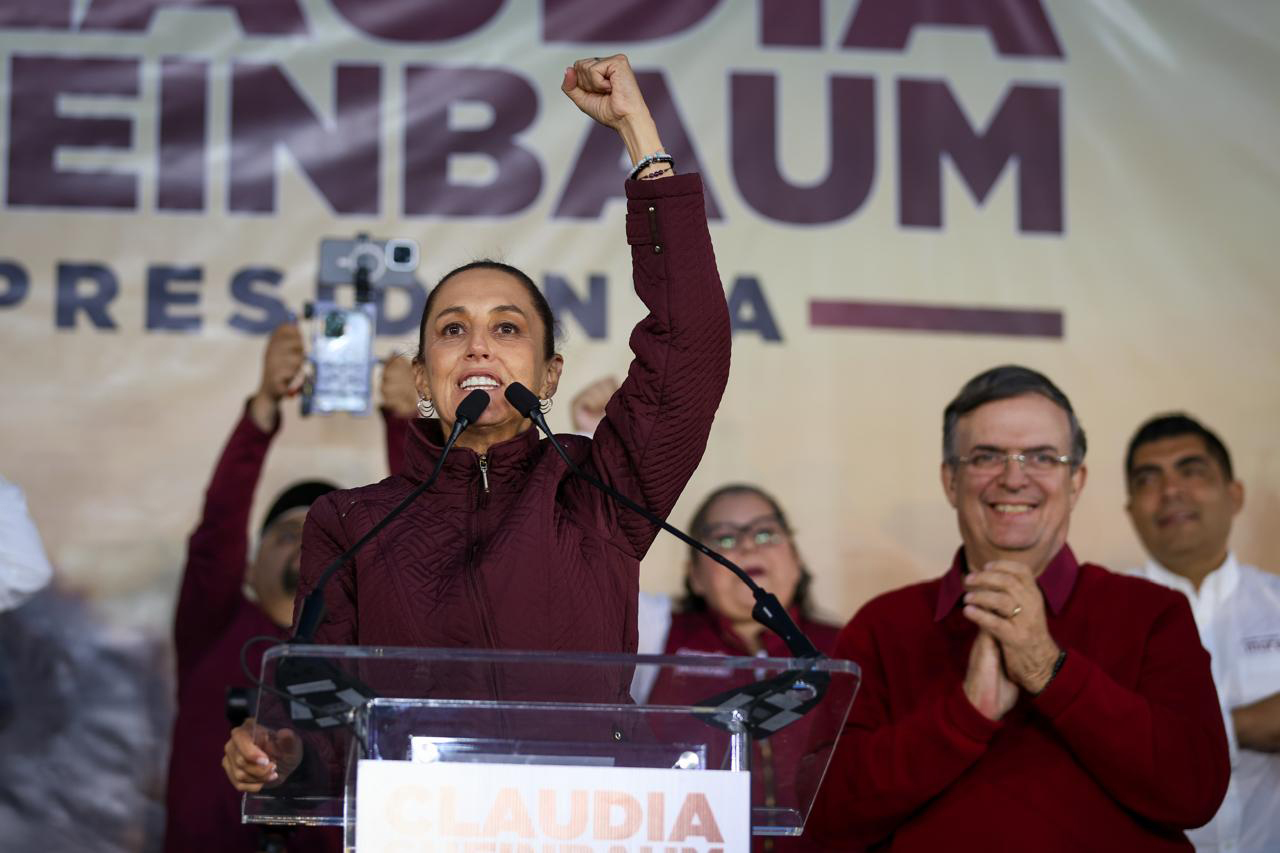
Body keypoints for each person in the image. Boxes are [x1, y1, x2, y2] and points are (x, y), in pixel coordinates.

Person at [223, 55, 731, 793]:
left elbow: (689, 350)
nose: (480, 346)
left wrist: (639, 137)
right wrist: (279, 754)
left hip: (584, 823)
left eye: (508, 328)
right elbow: (319, 727)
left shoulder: (599, 490)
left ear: (549, 375)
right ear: (422, 379)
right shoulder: (349, 525)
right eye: (453, 329)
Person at [809, 365, 1229, 851]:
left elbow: (1195, 792)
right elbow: (826, 816)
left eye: (1042, 457)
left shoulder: (1152, 613)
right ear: (950, 480)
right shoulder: (883, 626)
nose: (1013, 478)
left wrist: (1049, 671)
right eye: (987, 457)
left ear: (1075, 481)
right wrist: (963, 717)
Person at [164, 323, 413, 853]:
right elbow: (217, 532)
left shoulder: (368, 646)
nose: (302, 543)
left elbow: (419, 552)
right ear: (249, 566)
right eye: (285, 533)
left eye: (322, 538)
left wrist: (407, 425)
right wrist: (262, 409)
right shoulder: (214, 627)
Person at [647, 483, 841, 852]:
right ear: (694, 575)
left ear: (796, 559)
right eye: (725, 538)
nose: (749, 546)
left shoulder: (845, 647)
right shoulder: (653, 638)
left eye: (765, 533)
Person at [1124, 413, 1280, 853]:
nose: (1170, 491)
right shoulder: (1102, 616)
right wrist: (1245, 726)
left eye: (1191, 471)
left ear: (1235, 495)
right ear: (1131, 510)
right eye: (1148, 479)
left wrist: (1163, 735)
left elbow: (1126, 735)